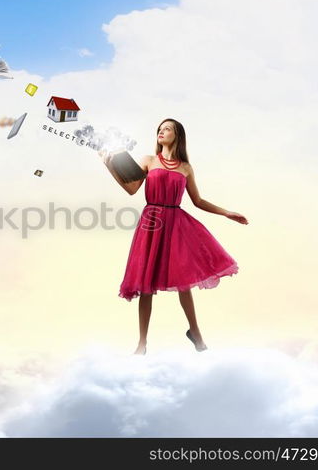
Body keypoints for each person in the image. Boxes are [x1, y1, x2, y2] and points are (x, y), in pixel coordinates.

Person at [100, 118, 248, 355]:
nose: (161, 132)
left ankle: (196, 333)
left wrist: (226, 212)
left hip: (176, 224)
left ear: (177, 135)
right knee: (145, 284)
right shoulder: (148, 161)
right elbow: (131, 189)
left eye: (167, 129)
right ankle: (142, 343)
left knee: (184, 281)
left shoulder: (185, 168)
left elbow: (198, 201)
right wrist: (109, 165)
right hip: (152, 223)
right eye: (159, 129)